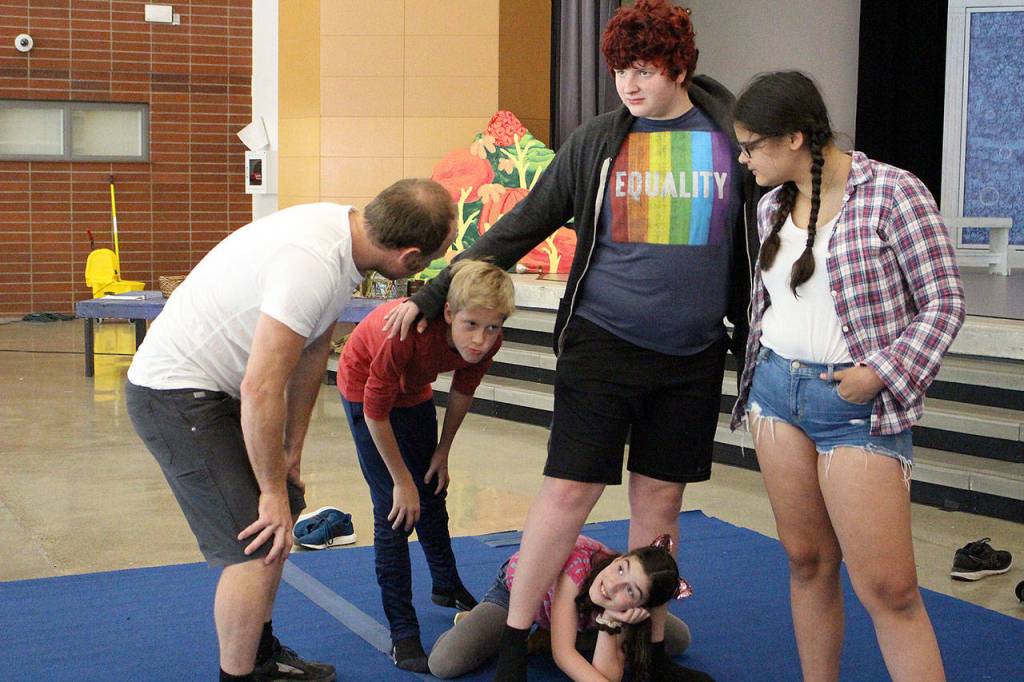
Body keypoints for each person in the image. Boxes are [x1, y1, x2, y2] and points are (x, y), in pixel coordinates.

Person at [385, 2, 756, 679]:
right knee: (567, 492)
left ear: (680, 67)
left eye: (645, 70)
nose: (630, 85)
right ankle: (513, 644)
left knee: (660, 503)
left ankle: (639, 650)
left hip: (693, 355)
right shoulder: (596, 142)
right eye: (619, 70)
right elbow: (521, 225)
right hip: (603, 344)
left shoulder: (732, 139)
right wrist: (437, 291)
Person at [124, 179, 456, 682]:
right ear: (411, 259)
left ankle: (259, 655)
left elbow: (311, 350)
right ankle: (240, 676)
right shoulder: (314, 266)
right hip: (176, 395)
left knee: (283, 511)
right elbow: (261, 387)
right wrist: (271, 491)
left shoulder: (342, 237)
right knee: (256, 542)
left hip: (216, 391)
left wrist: (290, 454)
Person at [729, 71, 965, 682]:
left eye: (752, 145)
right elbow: (771, 304)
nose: (744, 157)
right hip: (776, 398)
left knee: (889, 590)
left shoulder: (893, 193)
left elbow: (944, 301)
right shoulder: (770, 205)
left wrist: (881, 372)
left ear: (796, 139)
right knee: (806, 562)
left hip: (856, 406)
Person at [337, 259, 515, 672]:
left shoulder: (489, 339)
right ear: (449, 314)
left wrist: (443, 451)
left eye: (492, 328)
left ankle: (446, 585)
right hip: (366, 392)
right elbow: (375, 414)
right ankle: (403, 631)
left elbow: (462, 391)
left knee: (433, 489)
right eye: (471, 325)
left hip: (413, 390)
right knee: (396, 512)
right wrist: (401, 481)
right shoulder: (404, 334)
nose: (481, 340)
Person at [428, 535, 693, 681]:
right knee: (443, 664)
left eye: (630, 590)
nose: (612, 585)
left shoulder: (621, 604)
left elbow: (608, 674)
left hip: (580, 615)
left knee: (676, 639)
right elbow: (563, 654)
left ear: (639, 604)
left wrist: (612, 621)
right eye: (621, 568)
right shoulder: (578, 569)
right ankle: (483, 623)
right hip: (520, 596)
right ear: (620, 557)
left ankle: (551, 632)